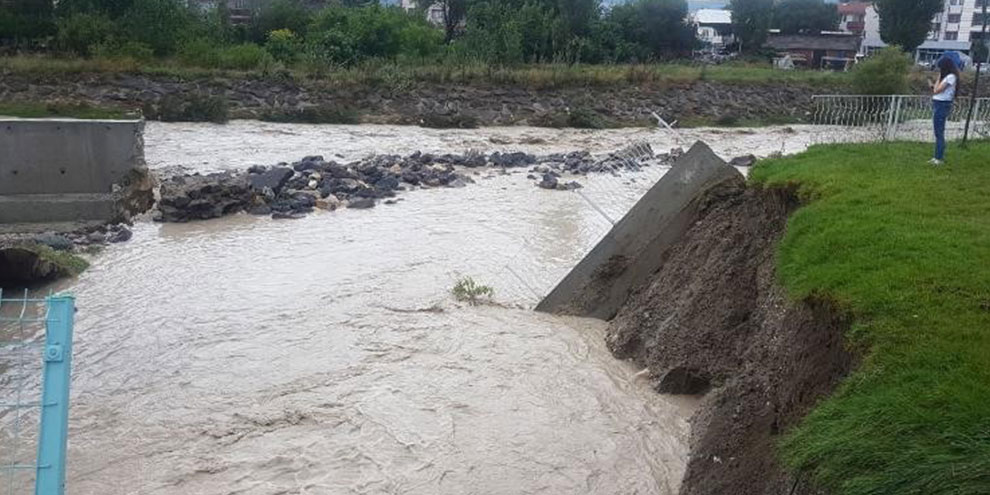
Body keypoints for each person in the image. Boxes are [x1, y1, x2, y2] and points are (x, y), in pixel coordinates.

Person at [930, 56, 961, 166]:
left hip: (942, 104)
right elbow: (936, 90)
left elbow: (937, 90)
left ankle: (939, 157)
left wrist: (938, 79)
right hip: (938, 103)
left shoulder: (951, 77)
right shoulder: (947, 77)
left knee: (939, 131)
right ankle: (936, 156)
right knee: (937, 130)